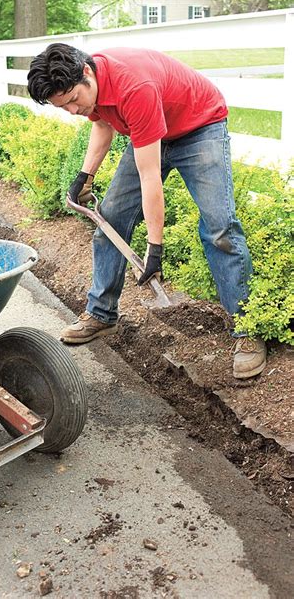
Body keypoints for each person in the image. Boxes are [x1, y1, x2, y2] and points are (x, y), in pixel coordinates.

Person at [27, 43, 267, 380]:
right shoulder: (91, 89)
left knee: (219, 227)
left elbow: (149, 176)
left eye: (71, 100)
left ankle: (246, 330)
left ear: (85, 72)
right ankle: (101, 315)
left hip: (199, 128)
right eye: (61, 106)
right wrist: (85, 176)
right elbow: (101, 124)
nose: (71, 110)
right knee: (110, 217)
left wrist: (155, 248)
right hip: (151, 130)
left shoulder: (133, 86)